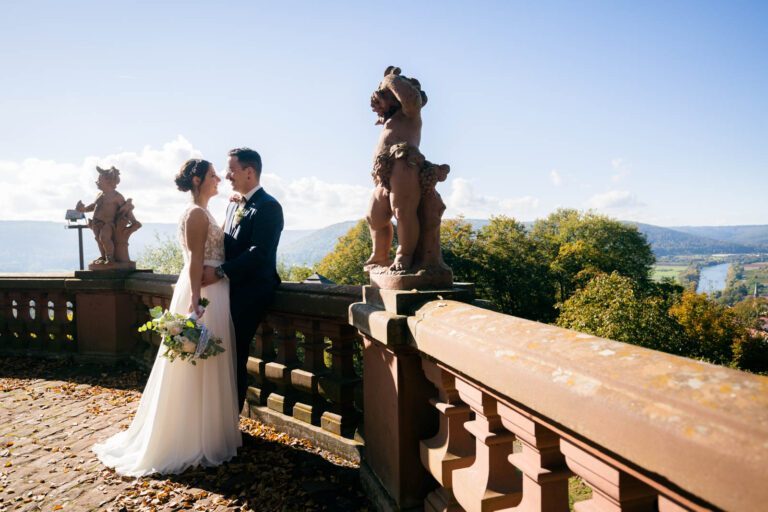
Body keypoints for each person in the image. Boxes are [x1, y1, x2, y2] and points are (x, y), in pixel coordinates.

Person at [92, 159, 241, 476]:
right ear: (199, 179)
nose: (219, 180)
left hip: (213, 292)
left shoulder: (202, 211)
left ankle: (206, 432)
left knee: (206, 362)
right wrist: (195, 304)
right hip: (205, 295)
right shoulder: (196, 214)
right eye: (214, 175)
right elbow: (196, 261)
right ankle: (191, 438)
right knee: (198, 362)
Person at [202, 147, 284, 411]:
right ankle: (218, 415)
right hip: (229, 290)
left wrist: (218, 272)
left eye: (232, 170)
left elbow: (259, 253)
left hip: (252, 292)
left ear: (249, 172)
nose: (227, 176)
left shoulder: (269, 206)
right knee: (220, 352)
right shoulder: (234, 204)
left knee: (234, 354)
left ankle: (231, 419)